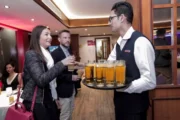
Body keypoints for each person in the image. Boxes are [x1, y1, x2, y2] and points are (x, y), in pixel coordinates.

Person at [108, 2, 156, 120]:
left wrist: (124, 87)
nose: (108, 22)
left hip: (135, 108)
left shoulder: (140, 42)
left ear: (122, 18)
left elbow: (150, 81)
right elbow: (109, 64)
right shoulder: (119, 43)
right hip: (120, 104)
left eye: (111, 18)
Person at [21, 25, 76, 120]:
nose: (50, 37)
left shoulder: (46, 55)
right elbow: (41, 80)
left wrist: (55, 97)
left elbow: (51, 80)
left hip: (47, 99)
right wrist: (62, 63)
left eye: (50, 35)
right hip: (37, 102)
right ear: (37, 37)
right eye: (46, 34)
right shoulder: (32, 54)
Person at [51, 30, 79, 120]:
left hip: (71, 88)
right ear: (59, 39)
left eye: (69, 37)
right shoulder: (54, 54)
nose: (68, 40)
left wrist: (76, 68)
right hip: (62, 90)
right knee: (65, 115)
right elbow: (55, 74)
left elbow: (69, 69)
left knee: (70, 112)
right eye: (65, 38)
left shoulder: (69, 51)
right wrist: (71, 77)